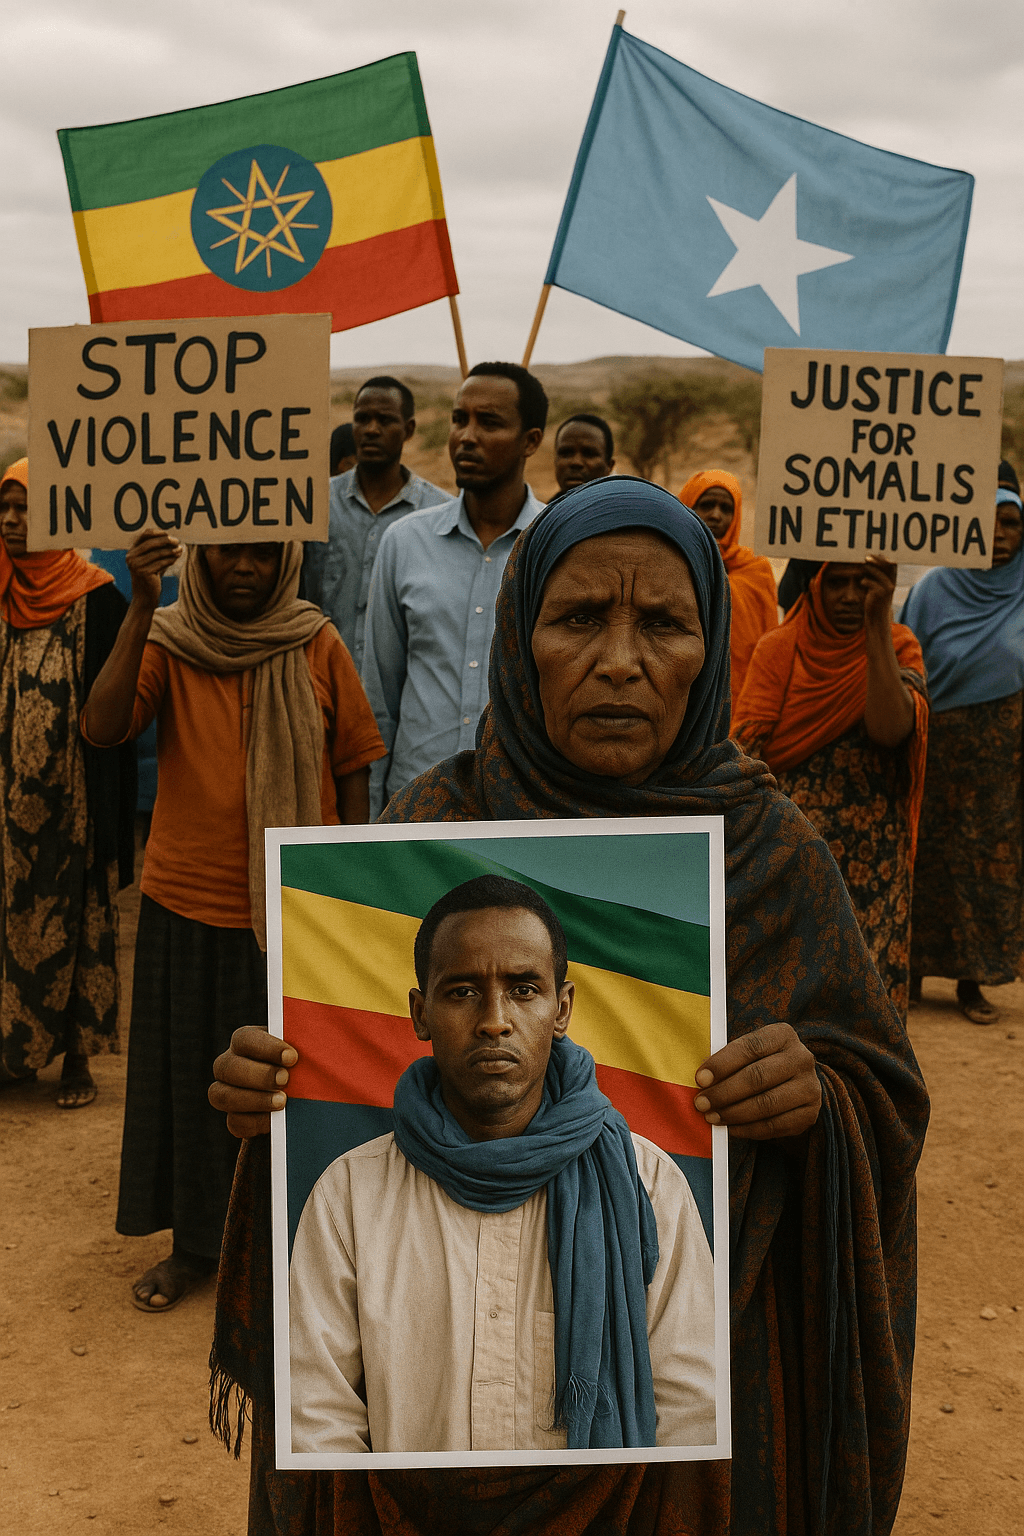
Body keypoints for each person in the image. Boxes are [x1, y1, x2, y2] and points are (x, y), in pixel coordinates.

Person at [210, 477, 928, 1536]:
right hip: (426, 1426)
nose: (623, 660)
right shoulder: (426, 833)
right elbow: (330, 1111)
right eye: (581, 617)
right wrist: (272, 1096)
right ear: (520, 631)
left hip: (685, 1451)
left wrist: (819, 1099)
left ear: (712, 642)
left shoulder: (772, 858)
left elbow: (884, 1099)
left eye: (667, 624)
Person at [289, 874, 715, 1455]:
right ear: (420, 1014)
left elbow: (693, 1413)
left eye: (523, 989)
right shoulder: (349, 1196)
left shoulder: (647, 1183)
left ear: (561, 1009)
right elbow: (316, 1419)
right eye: (462, 991)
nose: (494, 1020)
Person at [82, 532, 384, 1311]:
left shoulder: (316, 640)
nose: (244, 567)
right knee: (194, 1088)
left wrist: (342, 892)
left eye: (261, 552)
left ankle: (293, 1253)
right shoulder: (173, 639)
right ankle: (194, 1249)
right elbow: (104, 727)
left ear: (286, 558)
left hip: (296, 909)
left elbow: (352, 765)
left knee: (298, 1089)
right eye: (226, 553)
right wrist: (145, 604)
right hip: (186, 904)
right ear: (201, 558)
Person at [732, 559, 928, 1020]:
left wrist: (878, 626)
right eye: (837, 583)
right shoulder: (779, 649)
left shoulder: (899, 645)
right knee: (793, 997)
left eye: (863, 585)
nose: (849, 597)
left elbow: (890, 730)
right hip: (796, 854)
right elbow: (747, 755)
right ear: (814, 586)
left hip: (875, 862)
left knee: (868, 1001)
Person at [0, 458, 135, 1108]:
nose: (10, 520)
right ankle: (15, 1052)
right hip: (3, 807)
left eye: (25, 508)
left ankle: (76, 1059)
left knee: (75, 920)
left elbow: (115, 717)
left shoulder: (98, 596)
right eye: (4, 507)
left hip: (72, 804)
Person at [361, 361, 547, 817]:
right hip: (417, 805)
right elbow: (379, 700)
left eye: (490, 423)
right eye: (459, 419)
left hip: (523, 807)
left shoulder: (555, 546)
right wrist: (370, 822)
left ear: (531, 441)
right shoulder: (404, 542)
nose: (466, 436)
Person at [900, 486, 1024, 1025]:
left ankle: (972, 981)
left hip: (1003, 762)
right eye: (987, 521)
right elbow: (905, 656)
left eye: (1011, 523)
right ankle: (913, 975)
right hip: (936, 748)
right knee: (924, 853)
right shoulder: (935, 587)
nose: (998, 535)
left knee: (983, 864)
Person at [303, 378, 450, 671]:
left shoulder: (439, 513)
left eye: (384, 420)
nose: (371, 429)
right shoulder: (313, 502)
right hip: (318, 684)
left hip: (397, 695)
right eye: (362, 419)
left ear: (408, 430)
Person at [678, 470, 777, 700]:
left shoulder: (756, 569)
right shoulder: (671, 565)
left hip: (745, 695)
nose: (715, 515)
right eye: (707, 505)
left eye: (726, 509)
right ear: (687, 508)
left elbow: (770, 644)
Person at [553, 413, 615, 493]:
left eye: (589, 454)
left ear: (609, 466)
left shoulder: (626, 504)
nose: (576, 462)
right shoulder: (544, 505)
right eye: (566, 453)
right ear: (555, 460)